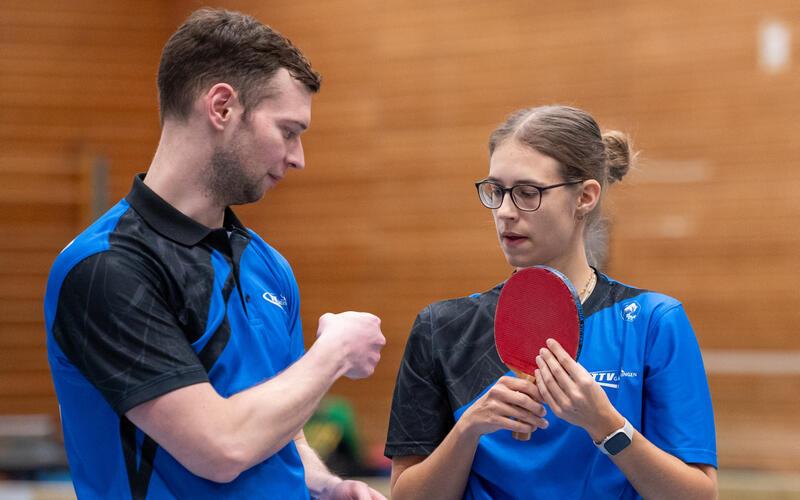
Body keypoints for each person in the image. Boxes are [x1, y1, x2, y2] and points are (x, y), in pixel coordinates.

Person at [44, 8, 386, 499]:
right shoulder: (106, 268)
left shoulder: (269, 266)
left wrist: (325, 485)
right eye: (288, 131)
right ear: (222, 107)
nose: (297, 157)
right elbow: (220, 447)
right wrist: (333, 353)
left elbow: (278, 425)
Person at [385, 105, 718, 499]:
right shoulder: (441, 328)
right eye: (496, 191)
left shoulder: (653, 323)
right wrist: (468, 428)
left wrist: (606, 424)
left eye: (528, 193)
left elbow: (699, 495)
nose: (506, 212)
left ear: (585, 197)